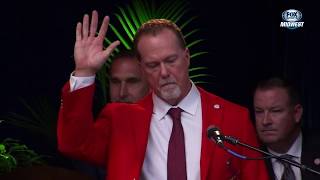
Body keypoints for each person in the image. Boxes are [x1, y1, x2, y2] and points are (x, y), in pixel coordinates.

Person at [58, 10, 269, 180]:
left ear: (186, 57)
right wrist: (84, 72)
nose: (164, 72)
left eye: (171, 60)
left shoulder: (234, 118)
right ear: (141, 68)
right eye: (153, 65)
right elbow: (73, 145)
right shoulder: (120, 118)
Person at [71, 50, 149, 180]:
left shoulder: (172, 132)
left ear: (151, 85)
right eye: (115, 82)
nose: (122, 93)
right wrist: (83, 73)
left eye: (132, 81)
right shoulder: (94, 141)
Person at [253, 77, 320, 180]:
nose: (265, 121)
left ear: (297, 113)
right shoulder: (248, 155)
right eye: (259, 112)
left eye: (275, 111)